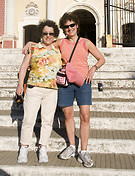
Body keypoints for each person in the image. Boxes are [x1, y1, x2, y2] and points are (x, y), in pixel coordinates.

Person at [23, 13, 105, 168]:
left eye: (72, 25)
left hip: (83, 82)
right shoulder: (60, 43)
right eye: (66, 27)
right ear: (63, 29)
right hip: (65, 83)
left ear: (77, 26)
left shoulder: (86, 42)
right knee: (68, 115)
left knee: (85, 115)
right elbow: (45, 44)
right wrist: (30, 43)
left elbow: (101, 59)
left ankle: (84, 150)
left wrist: (93, 69)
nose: (70, 29)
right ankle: (72, 146)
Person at [16, 20, 62, 164]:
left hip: (51, 90)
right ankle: (24, 147)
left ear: (55, 35)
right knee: (29, 119)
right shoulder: (34, 48)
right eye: (45, 33)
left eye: (51, 33)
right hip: (33, 88)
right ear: (41, 34)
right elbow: (23, 67)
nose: (48, 36)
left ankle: (42, 147)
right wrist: (19, 85)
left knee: (47, 121)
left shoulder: (58, 49)